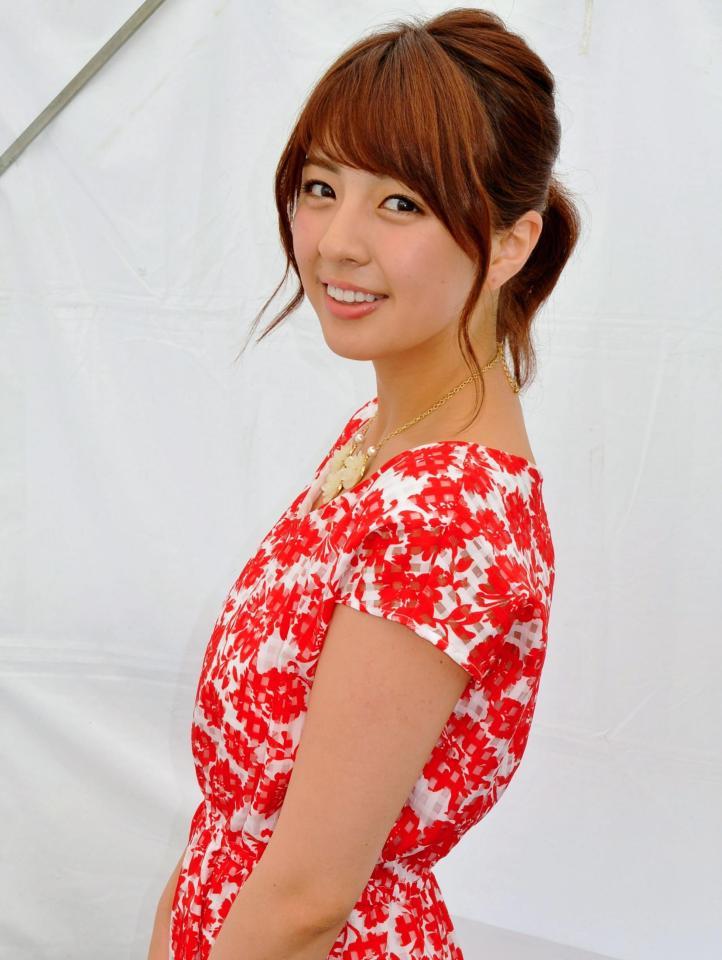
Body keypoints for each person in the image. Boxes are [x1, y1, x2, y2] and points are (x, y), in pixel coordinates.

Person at [148, 7, 581, 960]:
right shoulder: (384, 438)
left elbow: (308, 900)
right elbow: (246, 820)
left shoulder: (446, 518)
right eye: (321, 187)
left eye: (401, 204)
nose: (336, 242)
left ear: (511, 243)